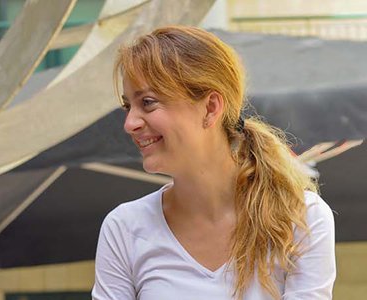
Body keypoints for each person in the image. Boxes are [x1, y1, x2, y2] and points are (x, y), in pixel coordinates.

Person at [93, 26, 336, 299]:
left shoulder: (301, 217)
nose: (130, 124)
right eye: (128, 107)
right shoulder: (124, 228)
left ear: (210, 108)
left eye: (148, 103)